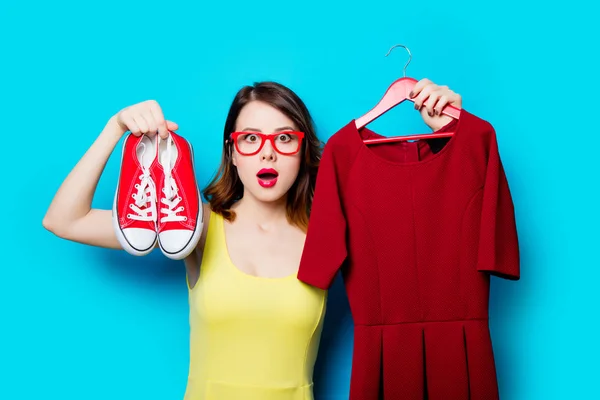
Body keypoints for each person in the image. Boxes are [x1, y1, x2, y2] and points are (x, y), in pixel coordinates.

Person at [42, 79, 462, 399]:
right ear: (232, 151)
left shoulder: (332, 234)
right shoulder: (193, 227)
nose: (267, 152)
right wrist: (114, 129)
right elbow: (65, 219)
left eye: (283, 138)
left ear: (302, 151)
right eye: (250, 138)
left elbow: (432, 237)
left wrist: (450, 137)